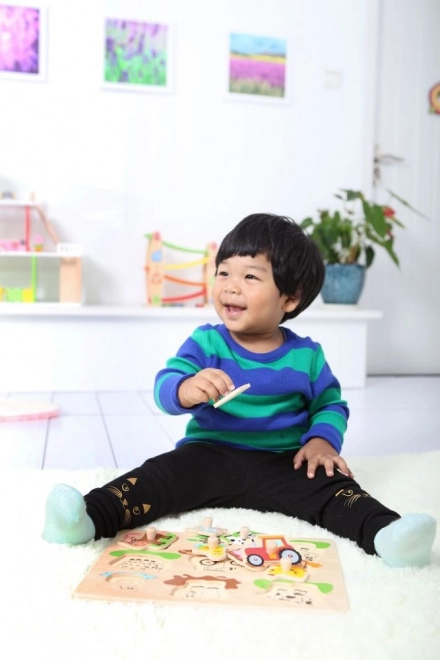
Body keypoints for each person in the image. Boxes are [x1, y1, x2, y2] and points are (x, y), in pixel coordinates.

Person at [43, 213, 436, 567]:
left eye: (250, 276)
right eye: (224, 273)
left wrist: (321, 442)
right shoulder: (207, 343)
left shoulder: (307, 355)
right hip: (208, 455)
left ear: (291, 297)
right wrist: (187, 388)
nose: (231, 286)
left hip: (286, 462)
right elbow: (166, 386)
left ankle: (388, 535)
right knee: (154, 478)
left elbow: (330, 405)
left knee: (338, 491)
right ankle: (87, 519)